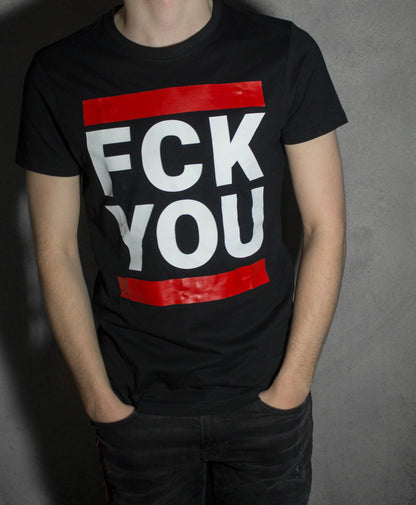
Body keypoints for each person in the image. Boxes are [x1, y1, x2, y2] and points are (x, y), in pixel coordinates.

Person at [16, 0, 348, 503]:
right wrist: (99, 398)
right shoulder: (60, 72)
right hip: (135, 407)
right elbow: (54, 249)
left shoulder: (282, 51)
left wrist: (293, 383)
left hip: (266, 398)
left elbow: (325, 227)